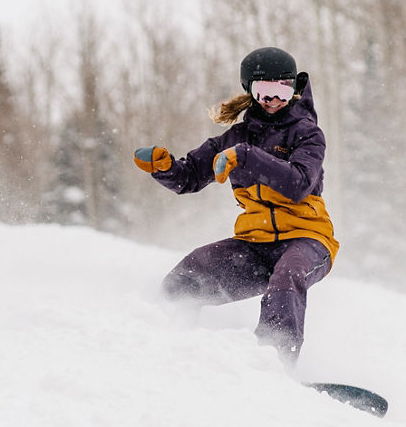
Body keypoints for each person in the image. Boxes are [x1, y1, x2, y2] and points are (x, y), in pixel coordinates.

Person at [133, 47, 338, 365]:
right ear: (250, 92)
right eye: (264, 90)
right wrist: (165, 168)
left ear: (293, 89)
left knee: (287, 278)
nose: (273, 99)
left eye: (282, 89)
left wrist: (247, 157)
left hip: (308, 239)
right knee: (188, 275)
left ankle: (274, 362)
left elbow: (298, 184)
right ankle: (166, 344)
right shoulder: (234, 139)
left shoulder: (307, 134)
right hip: (255, 245)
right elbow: (189, 177)